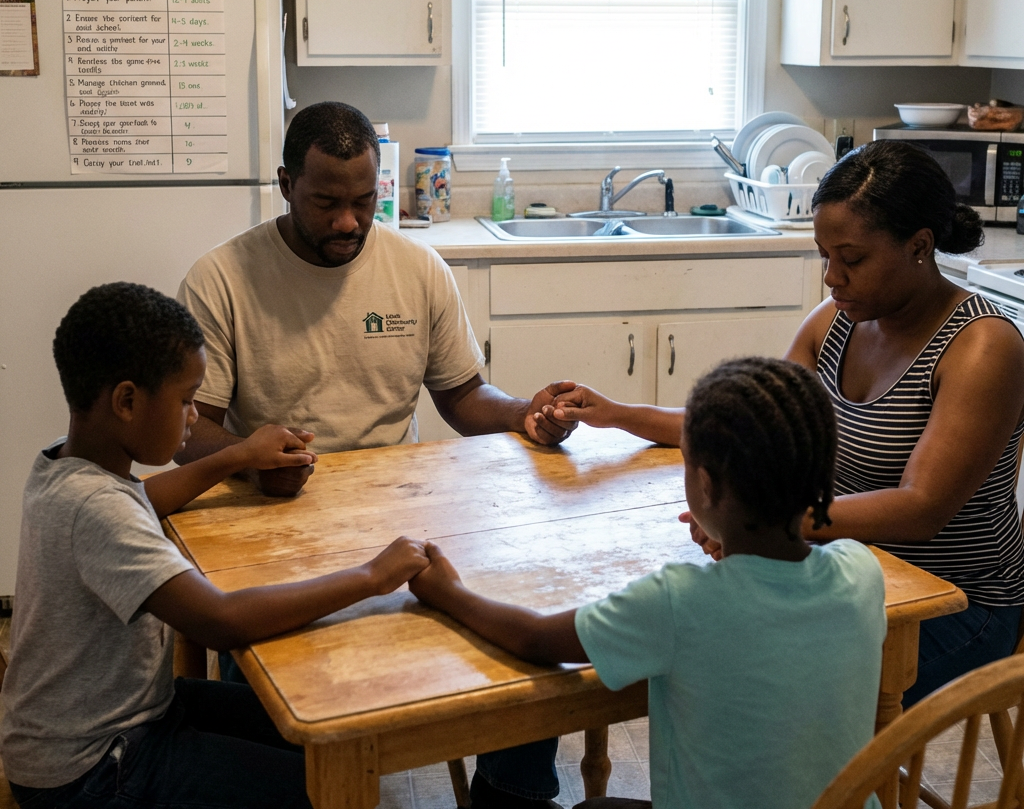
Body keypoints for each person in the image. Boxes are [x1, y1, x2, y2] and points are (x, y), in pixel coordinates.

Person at [174, 100, 571, 807]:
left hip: (399, 516)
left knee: (522, 655)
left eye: (365, 200)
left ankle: (507, 796)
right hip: (271, 522)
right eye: (327, 203)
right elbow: (189, 430)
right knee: (278, 703)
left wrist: (525, 414)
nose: (349, 222)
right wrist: (247, 456)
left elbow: (463, 397)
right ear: (285, 183)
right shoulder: (223, 278)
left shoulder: (417, 270)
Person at [548, 140, 1024, 707]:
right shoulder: (836, 324)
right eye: (824, 256)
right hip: (843, 572)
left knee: (729, 667)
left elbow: (922, 507)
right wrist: (618, 414)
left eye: (851, 259)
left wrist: (772, 525)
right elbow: (752, 424)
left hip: (958, 606)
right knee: (645, 620)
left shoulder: (982, 346)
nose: (831, 278)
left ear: (920, 246)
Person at [0, 282, 430, 808]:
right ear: (127, 401)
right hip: (93, 767)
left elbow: (143, 500)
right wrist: (373, 576)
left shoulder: (66, 469)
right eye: (185, 401)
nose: (192, 417)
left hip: (120, 720)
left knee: (321, 739)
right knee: (322, 790)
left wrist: (237, 456)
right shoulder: (95, 508)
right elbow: (220, 620)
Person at [410, 357, 887, 809]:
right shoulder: (860, 571)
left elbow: (535, 638)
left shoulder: (680, 602)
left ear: (705, 485)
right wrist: (735, 535)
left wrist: (448, 592)